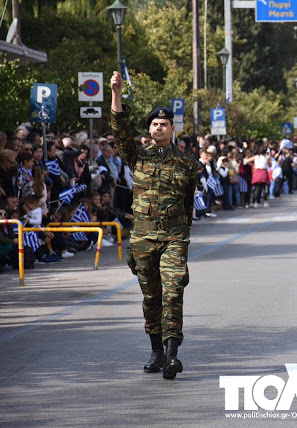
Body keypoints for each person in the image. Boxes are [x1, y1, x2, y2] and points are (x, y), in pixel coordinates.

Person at [110, 71, 198, 380]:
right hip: (143, 238)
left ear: (173, 129)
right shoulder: (137, 156)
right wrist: (117, 93)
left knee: (173, 293)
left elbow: (188, 202)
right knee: (152, 297)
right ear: (149, 129)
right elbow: (120, 131)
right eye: (154, 124)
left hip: (174, 237)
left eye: (164, 124)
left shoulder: (189, 163)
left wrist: (182, 231)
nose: (158, 127)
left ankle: (173, 353)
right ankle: (156, 351)